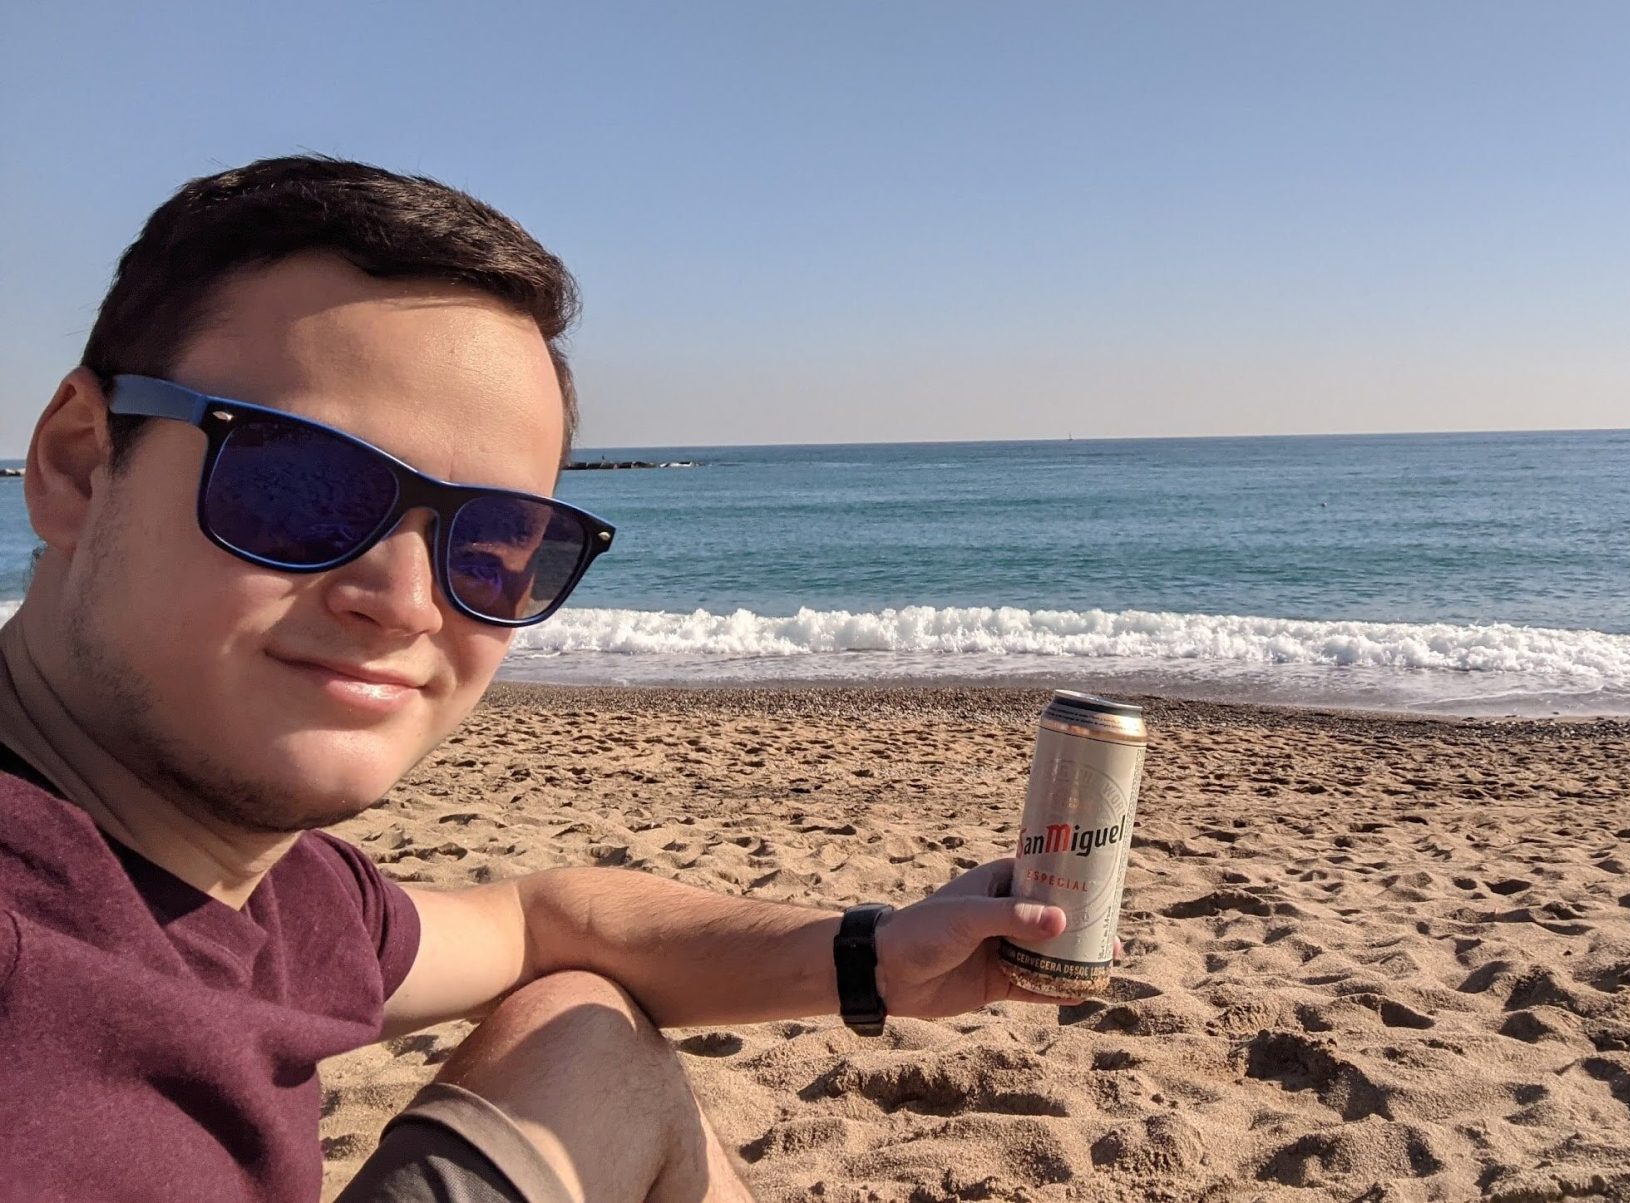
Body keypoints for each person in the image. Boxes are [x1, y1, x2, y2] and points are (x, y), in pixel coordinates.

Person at [0, 157, 1082, 1203]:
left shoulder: (266, 886)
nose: (406, 600)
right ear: (78, 463)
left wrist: (874, 959)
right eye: (300, 489)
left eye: (493, 545)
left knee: (585, 1033)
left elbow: (540, 923)